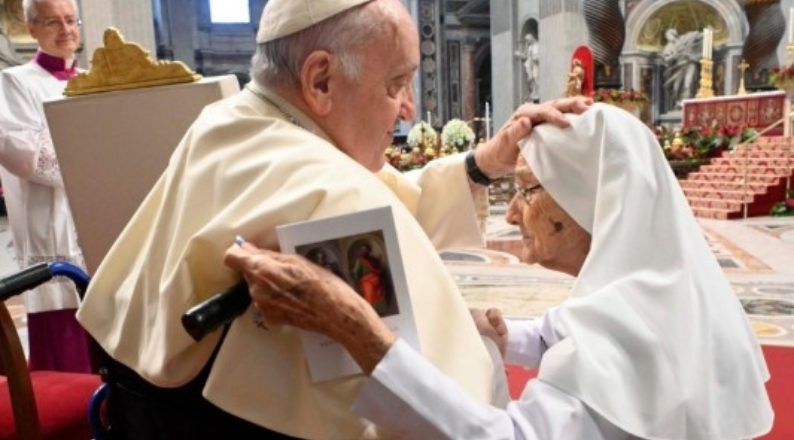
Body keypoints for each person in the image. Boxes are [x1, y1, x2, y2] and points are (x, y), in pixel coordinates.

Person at [75, 0, 592, 438]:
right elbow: (422, 414)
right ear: (320, 79)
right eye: (397, 83)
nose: (409, 110)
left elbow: (388, 199)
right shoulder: (335, 191)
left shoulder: (230, 122)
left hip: (142, 412)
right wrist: (476, 344)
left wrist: (481, 164)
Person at [226, 103, 773, 439]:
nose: (510, 214)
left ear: (591, 205)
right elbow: (564, 333)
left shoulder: (626, 330)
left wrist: (358, 332)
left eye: (526, 190)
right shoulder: (657, 288)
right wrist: (498, 332)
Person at [0, 0, 91, 373]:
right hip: (51, 227)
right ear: (31, 28)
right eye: (53, 22)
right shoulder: (15, 82)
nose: (66, 30)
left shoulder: (92, 80)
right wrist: (94, 154)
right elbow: (28, 157)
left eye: (71, 20)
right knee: (66, 354)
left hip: (95, 221)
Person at [661, 28, 702, 107]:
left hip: (689, 64)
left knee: (688, 84)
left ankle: (686, 104)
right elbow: (666, 59)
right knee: (676, 88)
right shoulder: (668, 47)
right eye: (668, 37)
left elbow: (697, 35)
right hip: (676, 69)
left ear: (675, 35)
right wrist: (674, 56)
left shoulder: (684, 39)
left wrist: (704, 34)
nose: (670, 39)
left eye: (670, 36)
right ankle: (677, 103)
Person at [351, 242, 387, 313]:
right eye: (363, 250)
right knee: (373, 296)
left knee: (371, 297)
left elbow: (356, 273)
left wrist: (354, 273)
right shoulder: (370, 259)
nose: (364, 251)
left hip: (369, 281)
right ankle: (376, 312)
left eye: (365, 250)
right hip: (374, 280)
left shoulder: (362, 260)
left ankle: (374, 312)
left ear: (368, 251)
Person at [515, 33, 539, 102]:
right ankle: (533, 92)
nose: (527, 42)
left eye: (528, 40)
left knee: (536, 77)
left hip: (535, 65)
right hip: (530, 65)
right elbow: (526, 56)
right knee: (530, 78)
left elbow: (538, 55)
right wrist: (519, 55)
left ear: (531, 39)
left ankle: (536, 92)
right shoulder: (529, 47)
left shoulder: (537, 45)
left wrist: (536, 58)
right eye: (526, 40)